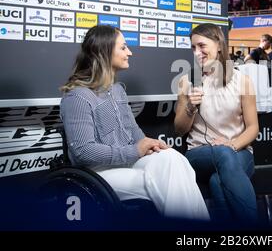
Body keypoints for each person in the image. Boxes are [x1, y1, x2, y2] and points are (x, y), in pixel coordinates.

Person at [59, 25, 209, 221]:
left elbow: (133, 132)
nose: (129, 52)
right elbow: (84, 152)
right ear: (104, 51)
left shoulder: (117, 90)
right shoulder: (77, 97)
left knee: (173, 158)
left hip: (127, 163)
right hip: (96, 173)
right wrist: (135, 151)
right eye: (123, 48)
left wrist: (152, 144)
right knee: (166, 178)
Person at [174, 23, 259, 224]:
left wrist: (231, 145)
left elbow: (253, 127)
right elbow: (179, 130)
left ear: (219, 44)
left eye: (202, 46)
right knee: (222, 154)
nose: (197, 53)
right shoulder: (187, 81)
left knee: (218, 181)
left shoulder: (242, 80)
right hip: (198, 154)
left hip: (239, 151)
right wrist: (190, 108)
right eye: (193, 48)